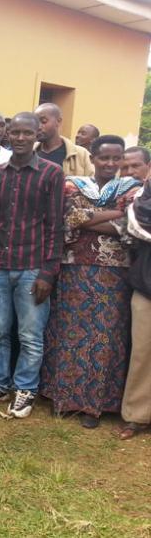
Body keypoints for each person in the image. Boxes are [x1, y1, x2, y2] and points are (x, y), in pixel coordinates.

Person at [0, 112, 65, 419]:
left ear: (38, 134)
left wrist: (48, 272)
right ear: (8, 135)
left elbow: (55, 227)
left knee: (29, 335)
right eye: (16, 132)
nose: (21, 137)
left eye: (28, 132)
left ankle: (25, 388)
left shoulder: (51, 174)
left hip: (32, 269)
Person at [41, 136, 140, 429]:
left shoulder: (133, 189)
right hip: (73, 271)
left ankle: (94, 405)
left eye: (116, 158)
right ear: (93, 158)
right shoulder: (73, 184)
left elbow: (130, 226)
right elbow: (68, 218)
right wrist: (114, 215)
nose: (110, 164)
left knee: (105, 338)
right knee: (68, 333)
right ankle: (63, 397)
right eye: (104, 158)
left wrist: (89, 218)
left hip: (115, 275)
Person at [120, 162, 151, 439]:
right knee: (143, 351)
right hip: (148, 283)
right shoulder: (141, 201)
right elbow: (141, 223)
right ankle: (137, 415)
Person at [34, 103, 94, 177]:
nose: (38, 127)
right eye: (35, 122)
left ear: (58, 121)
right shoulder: (30, 152)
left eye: (43, 121)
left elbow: (93, 184)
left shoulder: (81, 155)